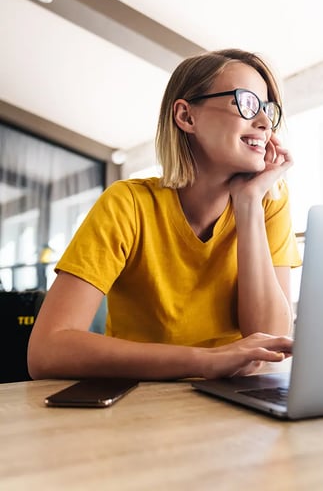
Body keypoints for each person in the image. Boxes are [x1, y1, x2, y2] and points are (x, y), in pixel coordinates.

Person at [28, 49, 301, 381]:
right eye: (246, 103)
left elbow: (270, 346)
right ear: (186, 116)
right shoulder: (127, 204)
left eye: (268, 110)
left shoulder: (267, 200)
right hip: (143, 403)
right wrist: (206, 361)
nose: (263, 122)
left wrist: (248, 206)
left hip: (238, 405)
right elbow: (47, 350)